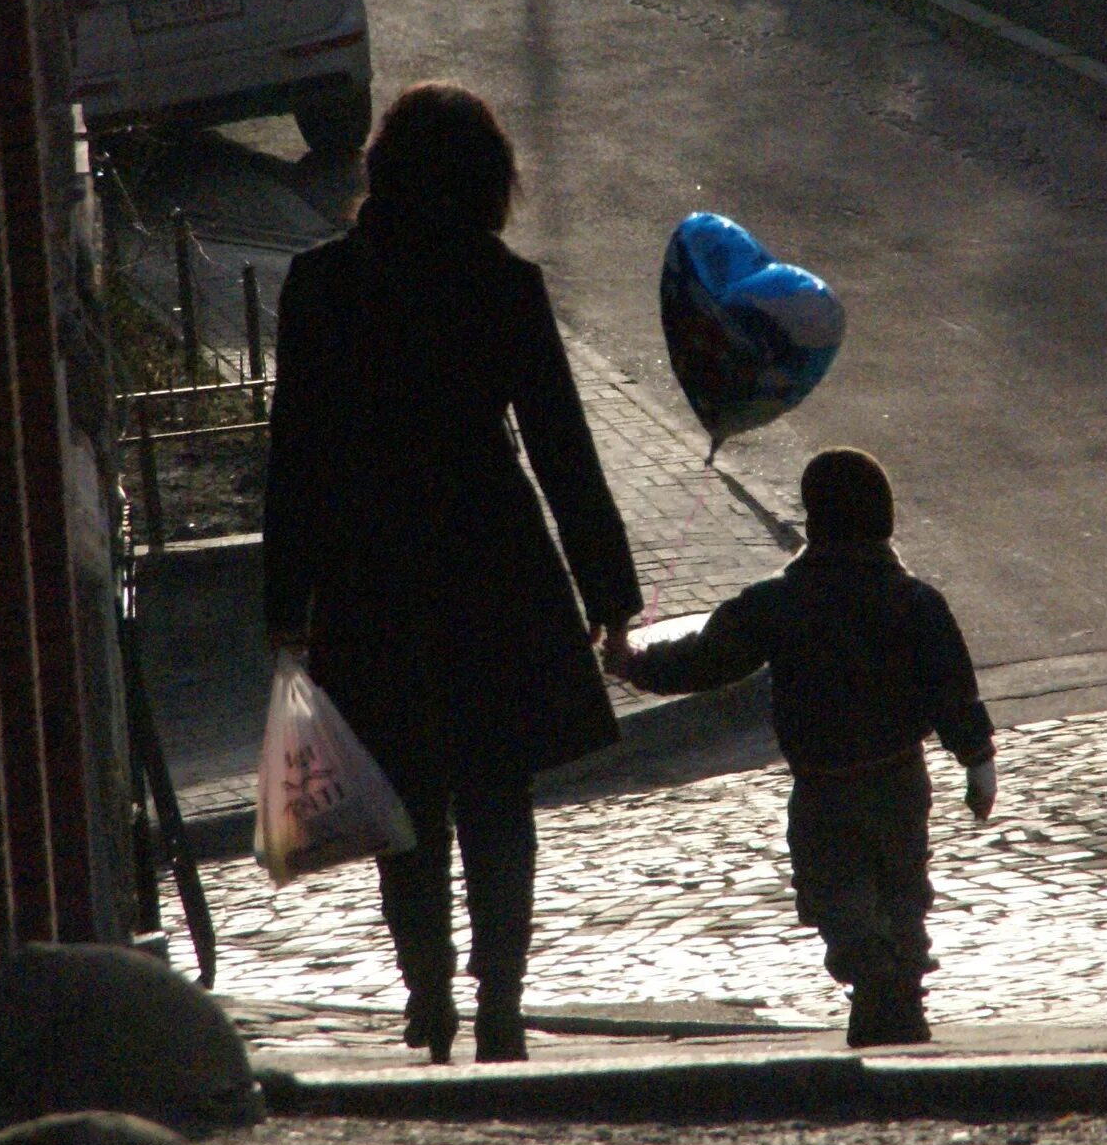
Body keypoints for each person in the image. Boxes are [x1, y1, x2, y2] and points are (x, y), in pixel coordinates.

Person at [262, 84, 643, 1064]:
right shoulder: (502, 283)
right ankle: (501, 1003)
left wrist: (286, 605)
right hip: (492, 562)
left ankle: (427, 996)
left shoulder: (321, 284)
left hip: (367, 567)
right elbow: (563, 446)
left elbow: (295, 451)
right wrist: (611, 601)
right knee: (495, 795)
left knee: (405, 805)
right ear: (488, 180)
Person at [607, 448, 995, 1046]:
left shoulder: (778, 599)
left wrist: (637, 666)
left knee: (834, 891)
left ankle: (872, 984)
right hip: (898, 776)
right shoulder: (915, 600)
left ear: (812, 520)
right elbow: (953, 689)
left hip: (822, 783)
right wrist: (978, 761)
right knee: (902, 887)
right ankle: (902, 992)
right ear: (884, 520)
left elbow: (707, 660)